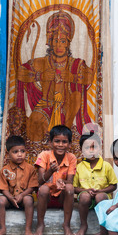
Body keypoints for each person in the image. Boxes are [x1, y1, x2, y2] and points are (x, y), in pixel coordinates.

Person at [16, 11, 94, 142]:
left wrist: (72, 77)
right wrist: (39, 75)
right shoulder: (41, 62)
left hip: (66, 108)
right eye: (55, 41)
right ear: (49, 42)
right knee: (33, 126)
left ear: (68, 43)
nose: (59, 45)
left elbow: (90, 77)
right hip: (46, 105)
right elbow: (20, 72)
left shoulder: (75, 63)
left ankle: (65, 135)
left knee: (75, 97)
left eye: (62, 41)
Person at [34, 125, 77, 235]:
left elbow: (70, 182)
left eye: (64, 142)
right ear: (50, 142)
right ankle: (40, 224)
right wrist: (50, 171)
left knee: (70, 189)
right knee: (43, 189)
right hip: (46, 198)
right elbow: (39, 181)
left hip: (62, 198)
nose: (60, 145)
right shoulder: (44, 155)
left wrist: (62, 182)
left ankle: (66, 225)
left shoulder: (71, 157)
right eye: (57, 141)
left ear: (69, 144)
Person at [73, 132, 118, 235]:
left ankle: (103, 230)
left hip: (102, 198)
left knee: (100, 196)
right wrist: (87, 190)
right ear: (81, 150)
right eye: (87, 148)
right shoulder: (79, 167)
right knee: (84, 196)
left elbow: (114, 186)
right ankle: (84, 225)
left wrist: (101, 191)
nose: (91, 150)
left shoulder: (106, 165)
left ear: (100, 148)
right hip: (86, 198)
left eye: (94, 147)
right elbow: (74, 188)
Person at [0, 136, 39, 235]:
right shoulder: (5, 170)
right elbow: (3, 188)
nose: (19, 154)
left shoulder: (30, 168)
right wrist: (10, 197)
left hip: (23, 198)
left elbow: (32, 186)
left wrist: (22, 195)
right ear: (8, 153)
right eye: (15, 152)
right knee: (0, 200)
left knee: (28, 200)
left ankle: (28, 229)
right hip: (10, 199)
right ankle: (2, 228)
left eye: (22, 151)